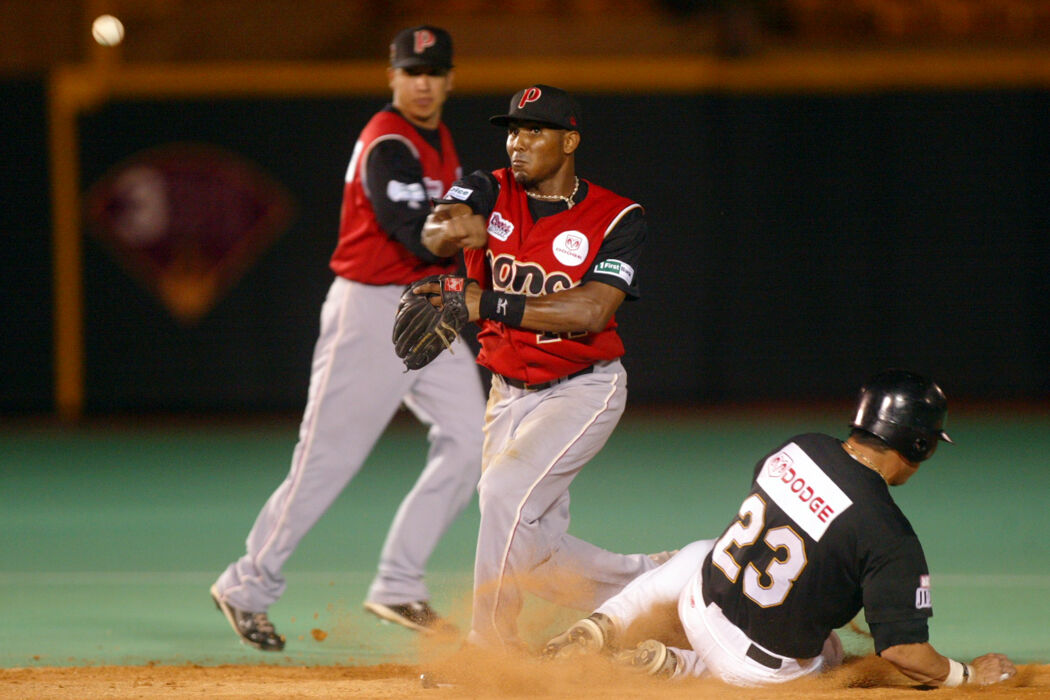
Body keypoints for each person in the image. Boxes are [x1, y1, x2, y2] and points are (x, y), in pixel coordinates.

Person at [209, 25, 485, 650]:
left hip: (428, 307)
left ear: (449, 80)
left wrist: (471, 229)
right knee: (327, 458)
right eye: (412, 71)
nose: (422, 82)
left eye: (433, 72)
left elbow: (451, 230)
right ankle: (246, 583)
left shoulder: (439, 140)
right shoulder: (385, 143)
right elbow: (414, 234)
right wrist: (470, 229)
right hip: (371, 311)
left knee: (471, 440)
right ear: (392, 76)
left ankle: (397, 583)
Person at [543, 369, 1017, 688]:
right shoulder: (890, 534)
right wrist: (967, 675)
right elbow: (904, 651)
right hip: (749, 667)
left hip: (697, 602)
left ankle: (606, 621)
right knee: (829, 657)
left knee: (705, 550)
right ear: (919, 444)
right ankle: (678, 669)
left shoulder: (801, 446)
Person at [417, 84, 662, 651]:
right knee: (537, 549)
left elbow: (592, 308)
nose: (517, 142)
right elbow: (434, 231)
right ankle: (657, 586)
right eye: (512, 130)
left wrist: (486, 302)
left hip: (583, 389)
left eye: (534, 130)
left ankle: (490, 647)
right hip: (506, 393)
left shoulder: (617, 217)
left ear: (570, 140)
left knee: (503, 495)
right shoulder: (486, 188)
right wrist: (450, 226)